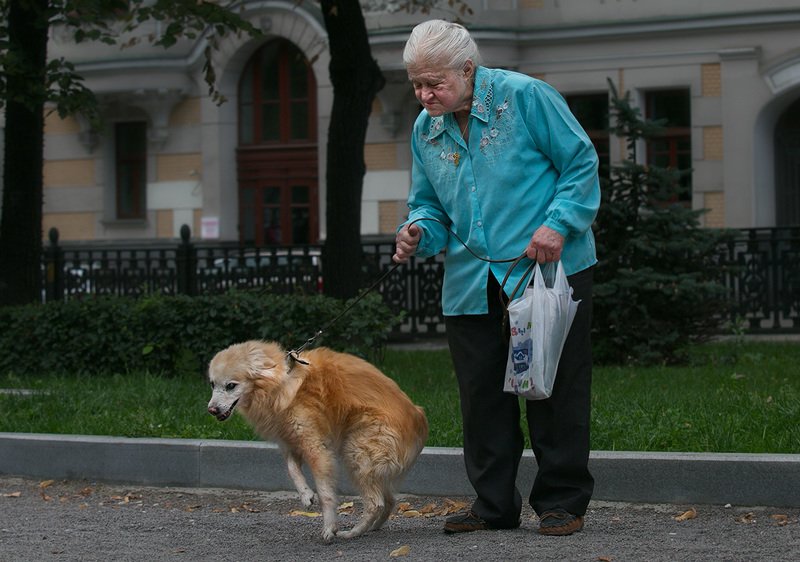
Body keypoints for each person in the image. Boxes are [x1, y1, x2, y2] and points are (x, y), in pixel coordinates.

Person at [393, 20, 600, 537]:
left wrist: (558, 225)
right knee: (482, 395)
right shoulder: (425, 128)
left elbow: (580, 163)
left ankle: (561, 502)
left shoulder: (526, 97)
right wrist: (417, 231)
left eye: (434, 83)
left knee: (554, 389)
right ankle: (493, 504)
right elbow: (428, 205)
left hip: (546, 270)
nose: (424, 94)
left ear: (468, 69)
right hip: (471, 281)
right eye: (416, 84)